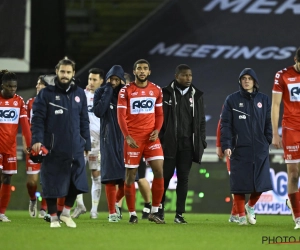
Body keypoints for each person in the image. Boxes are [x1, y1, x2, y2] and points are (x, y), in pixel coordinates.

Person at [31, 58, 91, 228]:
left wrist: (86, 144)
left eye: (68, 72)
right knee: (51, 181)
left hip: (75, 146)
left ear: (73, 74)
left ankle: (65, 213)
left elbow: (84, 121)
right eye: (62, 72)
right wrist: (37, 140)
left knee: (77, 182)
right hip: (52, 146)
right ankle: (53, 217)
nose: (65, 75)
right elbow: (37, 120)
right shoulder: (46, 94)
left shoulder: (80, 94)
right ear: (57, 72)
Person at [221, 68, 272, 225]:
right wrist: (227, 145)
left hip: (260, 148)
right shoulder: (232, 100)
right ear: (240, 81)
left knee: (262, 183)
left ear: (255, 81)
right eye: (244, 78)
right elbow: (226, 124)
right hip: (239, 149)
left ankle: (250, 206)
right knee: (239, 185)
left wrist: (267, 140)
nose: (247, 81)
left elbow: (268, 122)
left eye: (250, 78)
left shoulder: (264, 99)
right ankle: (241, 216)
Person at [117, 59, 165, 224]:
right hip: (133, 139)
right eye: (139, 69)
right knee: (130, 176)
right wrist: (127, 135)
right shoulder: (125, 91)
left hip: (151, 138)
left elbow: (159, 114)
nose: (142, 71)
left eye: (145, 68)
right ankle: (132, 214)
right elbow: (121, 115)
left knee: (159, 169)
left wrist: (157, 130)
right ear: (135, 71)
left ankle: (155, 211)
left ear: (149, 72)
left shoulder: (157, 90)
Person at [159, 64, 206, 224]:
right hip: (169, 144)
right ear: (176, 76)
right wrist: (161, 138)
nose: (188, 78)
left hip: (187, 144)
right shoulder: (165, 93)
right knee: (164, 178)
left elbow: (201, 121)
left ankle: (179, 214)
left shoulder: (196, 95)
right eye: (185, 75)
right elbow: (158, 118)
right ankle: (159, 211)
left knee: (183, 179)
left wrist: (202, 141)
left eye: (190, 75)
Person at [271, 47, 300, 230]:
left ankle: (294, 202)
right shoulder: (282, 75)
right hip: (291, 129)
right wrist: (275, 132)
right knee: (294, 173)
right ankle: (298, 217)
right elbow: (275, 105)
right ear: (296, 59)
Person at [94, 65, 126, 222]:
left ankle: (116, 206)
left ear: (121, 80)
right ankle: (112, 212)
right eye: (111, 79)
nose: (113, 82)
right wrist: (107, 90)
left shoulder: (126, 93)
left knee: (128, 180)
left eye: (116, 79)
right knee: (111, 178)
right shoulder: (101, 92)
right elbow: (99, 112)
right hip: (108, 139)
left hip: (127, 139)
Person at [72, 68, 104, 219]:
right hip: (81, 141)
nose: (91, 82)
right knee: (77, 171)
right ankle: (80, 205)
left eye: (94, 80)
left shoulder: (104, 96)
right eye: (90, 79)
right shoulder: (81, 95)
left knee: (96, 174)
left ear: (101, 81)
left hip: (97, 143)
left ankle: (94, 210)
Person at [0, 70, 31, 222]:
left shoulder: (18, 101)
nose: (12, 90)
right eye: (9, 86)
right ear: (2, 85)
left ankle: (1, 213)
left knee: (7, 179)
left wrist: (30, 143)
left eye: (15, 87)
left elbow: (25, 125)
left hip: (11, 147)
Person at [123, 72, 152, 219]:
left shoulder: (135, 94)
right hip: (119, 142)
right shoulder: (117, 98)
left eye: (124, 82)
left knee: (138, 177)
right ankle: (119, 208)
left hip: (135, 141)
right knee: (122, 177)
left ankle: (147, 204)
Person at [23, 76, 48, 218]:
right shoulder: (30, 103)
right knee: (32, 182)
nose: (37, 86)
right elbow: (25, 124)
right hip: (33, 145)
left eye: (41, 84)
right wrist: (26, 143)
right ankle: (33, 199)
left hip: (47, 145)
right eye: (37, 83)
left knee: (46, 179)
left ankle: (44, 208)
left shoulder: (52, 103)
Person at [216, 117, 238, 223]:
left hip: (248, 149)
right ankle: (239, 213)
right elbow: (221, 124)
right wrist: (218, 145)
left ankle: (235, 213)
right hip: (232, 149)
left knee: (248, 184)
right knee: (236, 183)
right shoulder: (230, 102)